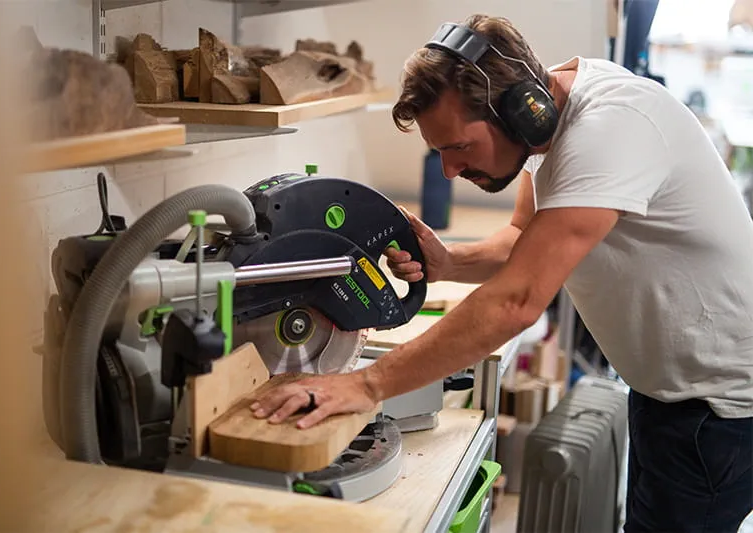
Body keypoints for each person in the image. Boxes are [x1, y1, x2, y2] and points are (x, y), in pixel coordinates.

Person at [249, 14, 753, 532]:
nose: (447, 170)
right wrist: (447, 263)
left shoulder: (610, 129)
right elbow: (521, 238)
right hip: (667, 390)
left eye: (459, 148)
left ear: (521, 113)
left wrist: (367, 384)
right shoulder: (545, 115)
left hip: (718, 406)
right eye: (439, 152)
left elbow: (517, 300)